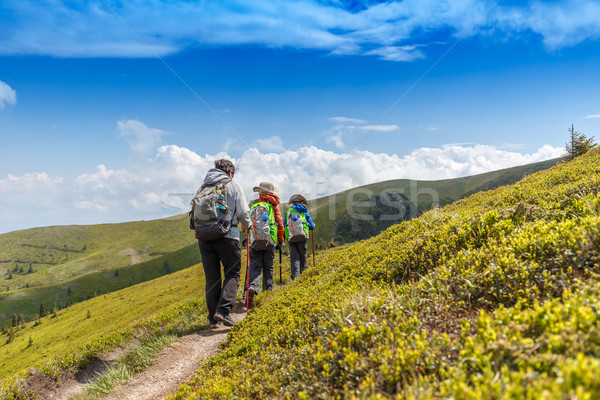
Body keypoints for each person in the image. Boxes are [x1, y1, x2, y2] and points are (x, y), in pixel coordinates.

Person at [194, 159, 250, 328]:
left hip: (204, 236)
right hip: (227, 236)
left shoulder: (203, 187)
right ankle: (223, 311)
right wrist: (249, 230)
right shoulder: (232, 186)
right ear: (230, 172)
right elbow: (243, 213)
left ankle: (212, 318)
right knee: (232, 273)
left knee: (212, 278)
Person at [246, 181, 284, 309]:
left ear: (260, 192)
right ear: (270, 192)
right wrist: (281, 240)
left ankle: (252, 288)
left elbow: (245, 223)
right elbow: (280, 223)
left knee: (255, 267)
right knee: (268, 267)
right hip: (269, 241)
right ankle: (267, 294)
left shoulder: (252, 205)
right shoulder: (273, 205)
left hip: (254, 241)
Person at [285, 194, 315, 279]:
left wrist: (286, 237)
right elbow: (311, 226)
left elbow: (285, 225)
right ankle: (303, 274)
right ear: (301, 202)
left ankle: (295, 276)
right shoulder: (304, 211)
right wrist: (312, 226)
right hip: (302, 236)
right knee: (302, 256)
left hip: (291, 238)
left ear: (293, 203)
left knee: (294, 258)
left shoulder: (288, 211)